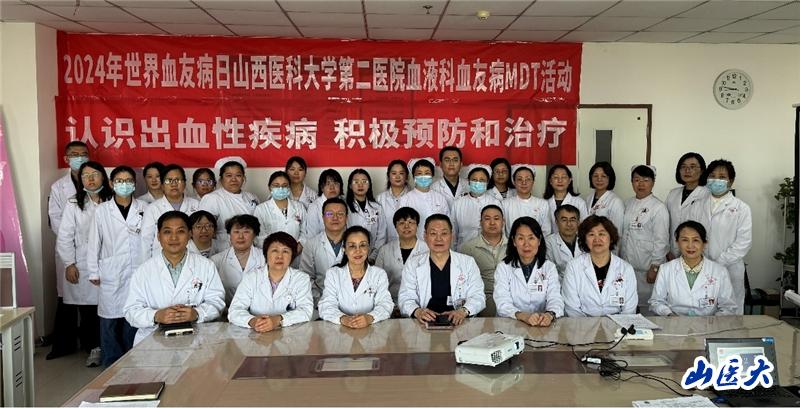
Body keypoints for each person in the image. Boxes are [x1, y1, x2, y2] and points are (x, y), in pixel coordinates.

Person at [124, 211, 225, 345]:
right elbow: (131, 310)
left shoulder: (206, 266)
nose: (174, 237)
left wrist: (197, 313)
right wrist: (156, 316)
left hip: (197, 340)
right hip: (153, 341)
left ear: (189, 234)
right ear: (158, 236)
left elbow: (217, 302)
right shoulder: (143, 271)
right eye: (167, 232)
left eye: (180, 231)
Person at [86, 165, 146, 366]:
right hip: (111, 270)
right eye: (119, 181)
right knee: (109, 319)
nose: (124, 184)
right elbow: (94, 242)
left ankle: (133, 360)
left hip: (138, 269)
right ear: (111, 184)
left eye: (128, 181)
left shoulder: (144, 208)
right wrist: (93, 271)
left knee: (133, 316)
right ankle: (110, 362)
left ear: (134, 184)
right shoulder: (102, 210)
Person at [53, 161, 110, 366]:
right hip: (83, 264)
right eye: (85, 176)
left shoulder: (112, 201)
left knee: (111, 308)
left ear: (103, 177)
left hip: (110, 263)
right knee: (88, 311)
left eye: (95, 174)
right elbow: (65, 236)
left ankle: (111, 348)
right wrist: (69, 263)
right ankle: (94, 349)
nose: (90, 179)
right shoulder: (73, 203)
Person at [689, 159, 752, 314]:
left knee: (730, 313)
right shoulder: (697, 204)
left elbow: (743, 243)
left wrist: (719, 263)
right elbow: (691, 234)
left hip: (730, 269)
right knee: (702, 309)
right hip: (700, 266)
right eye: (712, 176)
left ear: (731, 181)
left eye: (722, 177)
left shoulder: (741, 208)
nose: (716, 180)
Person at [398, 214, 485, 325]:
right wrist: (418, 311)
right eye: (433, 233)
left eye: (444, 233)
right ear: (425, 236)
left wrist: (463, 311)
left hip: (460, 323)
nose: (438, 239)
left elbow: (478, 296)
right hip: (423, 324)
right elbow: (405, 298)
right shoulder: (413, 264)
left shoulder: (468, 262)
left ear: (452, 235)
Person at [47, 140, 89, 359]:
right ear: (66, 159)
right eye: (74, 154)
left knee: (91, 300)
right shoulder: (58, 187)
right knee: (66, 298)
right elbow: (55, 218)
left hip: (92, 248)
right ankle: (64, 344)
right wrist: (71, 239)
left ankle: (91, 344)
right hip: (68, 247)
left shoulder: (96, 181)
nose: (79, 158)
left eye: (83, 154)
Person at [228, 232, 313, 332]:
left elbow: (306, 311)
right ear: (266, 254)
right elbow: (235, 310)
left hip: (291, 335)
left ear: (292, 256)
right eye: (274, 251)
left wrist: (278, 320)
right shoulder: (251, 277)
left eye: (285, 251)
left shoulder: (301, 279)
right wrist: (253, 321)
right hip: (256, 334)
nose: (279, 256)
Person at [649, 221, 737, 316]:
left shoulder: (719, 271)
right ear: (677, 242)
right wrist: (669, 315)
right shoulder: (666, 269)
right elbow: (656, 302)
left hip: (709, 323)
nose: (690, 246)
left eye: (695, 240)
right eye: (685, 240)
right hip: (675, 322)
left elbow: (728, 307)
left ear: (704, 243)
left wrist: (711, 321)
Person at [562, 216, 637, 317]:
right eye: (591, 234)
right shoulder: (573, 267)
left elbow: (629, 309)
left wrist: (615, 326)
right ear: (585, 240)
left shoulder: (626, 269)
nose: (597, 239)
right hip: (582, 324)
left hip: (618, 324)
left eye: (602, 234)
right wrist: (587, 326)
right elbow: (572, 308)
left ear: (611, 238)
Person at [318, 226, 394, 327]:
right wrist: (343, 319)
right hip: (340, 330)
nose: (358, 251)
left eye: (362, 245)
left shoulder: (379, 274)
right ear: (344, 249)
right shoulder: (333, 274)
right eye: (352, 246)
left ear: (368, 248)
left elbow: (385, 304)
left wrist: (369, 318)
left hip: (371, 330)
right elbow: (326, 305)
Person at [494, 217, 564, 326]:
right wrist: (523, 316)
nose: (526, 244)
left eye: (531, 238)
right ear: (514, 241)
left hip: (541, 326)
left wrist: (549, 315)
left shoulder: (549, 268)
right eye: (521, 238)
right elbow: (502, 302)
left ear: (539, 240)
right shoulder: (503, 267)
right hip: (509, 325)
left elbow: (555, 299)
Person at [619, 165, 669, 310]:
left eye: (646, 180)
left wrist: (655, 266)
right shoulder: (627, 203)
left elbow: (662, 240)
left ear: (653, 182)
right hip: (628, 266)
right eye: (636, 180)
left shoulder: (658, 208)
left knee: (648, 306)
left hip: (647, 268)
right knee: (628, 304)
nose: (641, 184)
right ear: (631, 182)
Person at [141, 164, 200, 260]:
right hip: (160, 260)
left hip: (192, 258)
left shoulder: (197, 205)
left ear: (184, 183)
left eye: (178, 180)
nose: (174, 184)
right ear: (162, 185)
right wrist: (147, 265)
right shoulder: (152, 208)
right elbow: (145, 242)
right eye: (169, 181)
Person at [199, 160, 259, 250]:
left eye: (238, 175)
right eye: (229, 175)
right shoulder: (212, 198)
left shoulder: (252, 197)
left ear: (243, 178)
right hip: (224, 248)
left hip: (252, 247)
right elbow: (205, 229)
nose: (233, 179)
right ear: (221, 179)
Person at [459, 205, 507, 317]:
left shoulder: (514, 246)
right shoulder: (468, 248)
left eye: (496, 218)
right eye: (487, 219)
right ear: (480, 222)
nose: (492, 223)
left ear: (503, 222)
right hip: (481, 299)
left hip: (509, 297)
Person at [375, 207, 429, 304]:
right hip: (390, 303)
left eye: (411, 222)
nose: (406, 226)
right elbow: (376, 281)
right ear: (395, 227)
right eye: (401, 223)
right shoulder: (384, 250)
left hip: (421, 304)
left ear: (417, 225)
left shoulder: (427, 249)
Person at [299, 197, 348, 303]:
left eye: (340, 214)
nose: (335, 218)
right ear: (323, 217)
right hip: (320, 302)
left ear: (346, 218)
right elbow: (306, 277)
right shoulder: (311, 244)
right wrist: (321, 301)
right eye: (329, 214)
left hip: (352, 303)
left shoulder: (356, 243)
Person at [210, 214, 265, 304]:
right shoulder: (216, 261)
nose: (240, 236)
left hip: (260, 310)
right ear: (230, 235)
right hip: (227, 310)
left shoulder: (265, 258)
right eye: (236, 232)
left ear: (255, 235)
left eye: (246, 232)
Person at [665, 152, 709, 259]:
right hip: (673, 251)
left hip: (697, 252)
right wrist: (666, 250)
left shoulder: (708, 195)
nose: (687, 170)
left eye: (692, 167)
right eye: (683, 167)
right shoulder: (673, 194)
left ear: (702, 170)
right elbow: (665, 224)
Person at [398, 158, 451, 240]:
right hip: (414, 244)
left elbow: (448, 223)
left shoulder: (440, 198)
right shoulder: (405, 200)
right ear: (414, 177)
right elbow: (401, 225)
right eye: (419, 173)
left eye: (427, 173)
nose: (423, 176)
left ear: (432, 176)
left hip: (437, 242)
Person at [452, 165, 501, 248]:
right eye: (474, 180)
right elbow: (453, 231)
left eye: (482, 180)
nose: (478, 183)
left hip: (489, 250)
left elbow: (500, 229)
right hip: (464, 249)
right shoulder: (458, 203)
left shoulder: (495, 202)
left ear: (487, 182)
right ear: (468, 181)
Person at [254, 171, 306, 248]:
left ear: (289, 188)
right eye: (276, 185)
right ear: (269, 188)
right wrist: (276, 251)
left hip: (296, 252)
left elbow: (306, 231)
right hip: (271, 253)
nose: (281, 188)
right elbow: (259, 237)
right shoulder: (261, 209)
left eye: (284, 186)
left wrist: (299, 246)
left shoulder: (299, 207)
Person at [345, 169, 386, 260]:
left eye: (364, 182)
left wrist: (373, 256)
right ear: (350, 186)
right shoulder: (345, 207)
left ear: (369, 185)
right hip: (351, 255)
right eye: (356, 182)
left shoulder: (377, 207)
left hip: (373, 256)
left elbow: (381, 235)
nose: (360, 185)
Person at [502, 165, 551, 236]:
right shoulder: (505, 204)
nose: (524, 183)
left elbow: (546, 231)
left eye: (528, 179)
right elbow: (502, 231)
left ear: (533, 182)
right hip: (512, 242)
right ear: (514, 182)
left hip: (536, 243)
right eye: (519, 179)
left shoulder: (542, 204)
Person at [302, 169, 344, 242]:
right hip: (321, 246)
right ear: (322, 188)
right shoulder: (314, 207)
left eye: (335, 183)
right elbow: (312, 236)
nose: (332, 187)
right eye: (328, 184)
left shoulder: (344, 203)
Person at [545, 205, 585, 278]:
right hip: (560, 283)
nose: (569, 224)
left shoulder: (586, 240)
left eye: (572, 220)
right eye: (564, 220)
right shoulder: (548, 243)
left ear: (578, 222)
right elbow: (549, 272)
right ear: (556, 222)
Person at [544, 165, 588, 229]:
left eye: (563, 177)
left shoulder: (579, 202)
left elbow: (585, 226)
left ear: (569, 180)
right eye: (556, 177)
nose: (560, 180)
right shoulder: (544, 202)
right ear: (550, 181)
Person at [584, 161, 624, 232]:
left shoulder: (615, 202)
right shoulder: (588, 198)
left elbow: (617, 231)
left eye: (603, 176)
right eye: (595, 176)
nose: (599, 179)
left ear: (610, 178)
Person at [376, 160, 410, 242]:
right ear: (388, 176)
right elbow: (378, 227)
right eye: (394, 173)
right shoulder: (380, 198)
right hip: (386, 244)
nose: (397, 177)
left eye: (401, 173)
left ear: (406, 177)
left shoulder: (413, 197)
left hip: (409, 243)